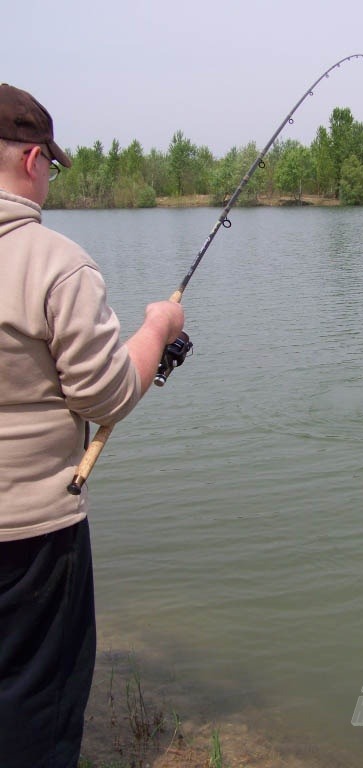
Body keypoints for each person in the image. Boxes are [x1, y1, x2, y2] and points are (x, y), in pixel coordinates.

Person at [0, 84, 185, 768]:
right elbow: (105, 395)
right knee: (34, 701)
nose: (49, 174)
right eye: (51, 162)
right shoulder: (55, 263)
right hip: (30, 542)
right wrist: (157, 329)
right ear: (30, 160)